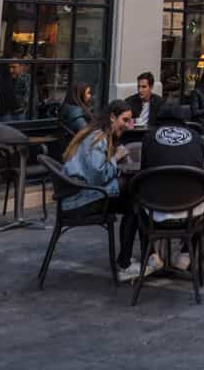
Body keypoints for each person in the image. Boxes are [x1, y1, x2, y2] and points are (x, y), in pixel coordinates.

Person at [61, 99, 146, 281]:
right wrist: (116, 157)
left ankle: (127, 260)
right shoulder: (97, 137)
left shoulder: (95, 134)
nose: (127, 126)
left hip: (77, 196)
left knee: (133, 199)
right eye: (124, 120)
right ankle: (127, 263)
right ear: (112, 117)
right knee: (135, 198)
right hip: (80, 201)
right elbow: (98, 175)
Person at [139, 103, 204, 272]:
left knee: (136, 201)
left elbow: (143, 172)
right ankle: (186, 254)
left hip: (156, 213)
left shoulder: (148, 137)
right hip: (191, 213)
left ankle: (151, 255)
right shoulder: (197, 138)